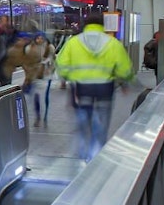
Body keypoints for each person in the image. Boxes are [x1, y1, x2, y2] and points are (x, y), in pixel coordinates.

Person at [57, 15, 134, 161]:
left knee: (82, 121)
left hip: (80, 89)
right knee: (101, 123)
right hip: (104, 90)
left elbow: (61, 66)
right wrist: (125, 81)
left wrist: (68, 77)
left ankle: (81, 154)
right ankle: (95, 156)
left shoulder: (73, 42)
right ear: (102, 25)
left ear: (85, 25)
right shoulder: (113, 43)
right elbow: (125, 69)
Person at [21, 32, 56, 126]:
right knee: (36, 96)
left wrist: (49, 68)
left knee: (45, 96)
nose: (39, 40)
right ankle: (38, 115)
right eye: (38, 38)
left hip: (46, 75)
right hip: (34, 75)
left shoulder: (50, 48)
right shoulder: (29, 48)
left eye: (41, 38)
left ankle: (45, 114)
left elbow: (53, 61)